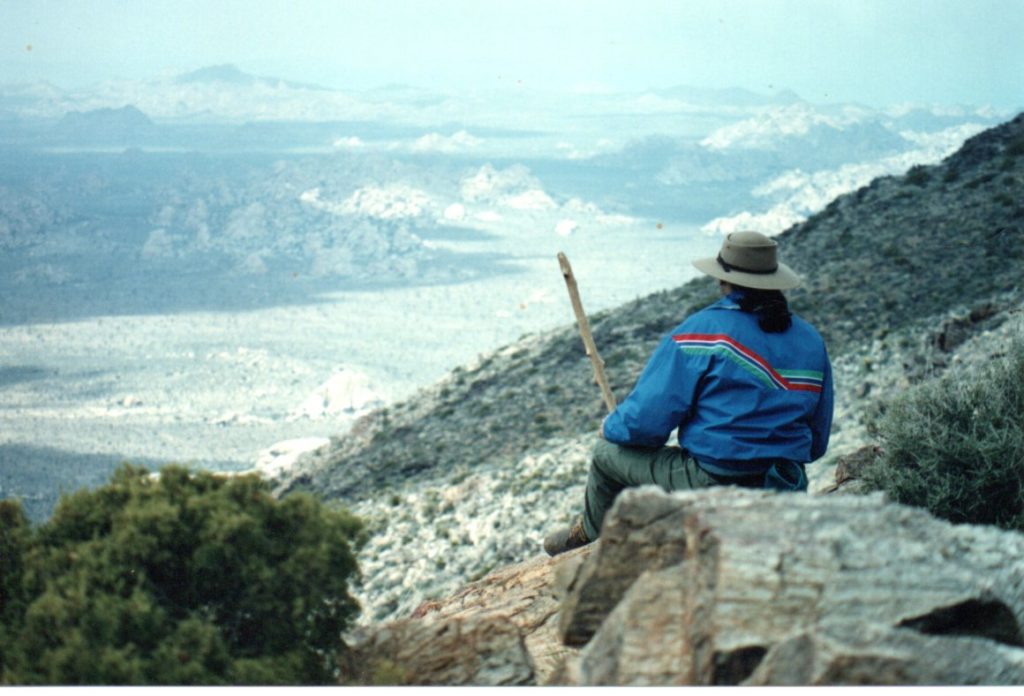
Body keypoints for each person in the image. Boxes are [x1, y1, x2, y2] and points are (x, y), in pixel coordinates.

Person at [544, 230, 833, 556]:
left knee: (606, 454)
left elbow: (647, 422)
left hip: (718, 483)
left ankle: (591, 540)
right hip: (786, 485)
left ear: (724, 281)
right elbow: (818, 440)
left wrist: (612, 427)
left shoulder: (702, 333)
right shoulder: (811, 342)